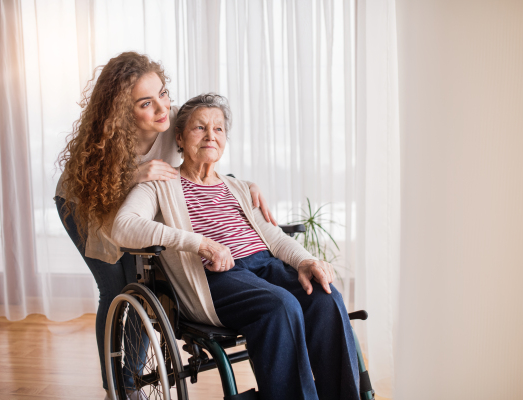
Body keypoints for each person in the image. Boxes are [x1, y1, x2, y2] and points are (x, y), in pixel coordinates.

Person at [112, 93, 360, 400]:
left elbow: (274, 236)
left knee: (325, 297)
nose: (210, 135)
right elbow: (123, 226)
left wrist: (306, 261)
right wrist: (199, 243)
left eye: (218, 129)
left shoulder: (238, 187)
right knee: (280, 306)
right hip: (214, 277)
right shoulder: (160, 182)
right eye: (199, 128)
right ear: (178, 136)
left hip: (264, 265)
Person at [55, 52, 275, 397]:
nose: (161, 109)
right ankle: (118, 386)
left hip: (131, 204)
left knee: (147, 286)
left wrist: (241, 184)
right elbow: (95, 189)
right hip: (85, 203)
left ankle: (132, 373)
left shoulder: (172, 121)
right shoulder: (106, 138)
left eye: (163, 93)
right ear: (122, 111)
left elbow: (200, 158)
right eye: (146, 103)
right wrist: (134, 174)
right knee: (115, 290)